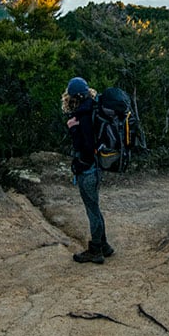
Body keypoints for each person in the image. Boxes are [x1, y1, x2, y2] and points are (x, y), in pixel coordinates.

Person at [63, 76, 114, 264]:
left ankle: (96, 251)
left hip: (87, 170)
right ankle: (104, 245)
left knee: (92, 210)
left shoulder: (83, 115)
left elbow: (84, 146)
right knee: (95, 208)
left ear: (73, 96)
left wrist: (73, 129)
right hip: (97, 167)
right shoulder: (94, 107)